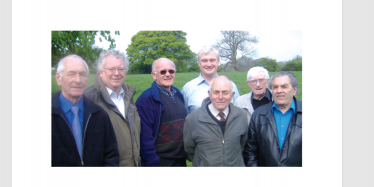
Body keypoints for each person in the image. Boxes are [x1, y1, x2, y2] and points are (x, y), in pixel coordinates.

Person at [52, 54, 119, 166]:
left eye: (82, 74)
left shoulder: (100, 115)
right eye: (71, 74)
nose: (78, 80)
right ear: (59, 78)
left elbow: (111, 156)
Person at [84, 49, 141, 166]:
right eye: (111, 69)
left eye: (121, 69)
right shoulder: (89, 99)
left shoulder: (129, 96)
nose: (117, 73)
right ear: (100, 72)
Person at [184, 76, 248, 167]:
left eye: (225, 93)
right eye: (216, 92)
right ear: (209, 94)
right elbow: (190, 150)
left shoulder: (242, 116)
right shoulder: (192, 119)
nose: (220, 97)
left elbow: (242, 145)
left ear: (232, 95)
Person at [135, 58, 188, 166]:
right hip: (161, 162)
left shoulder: (178, 94)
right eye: (163, 71)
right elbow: (145, 137)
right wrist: (153, 162)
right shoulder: (146, 99)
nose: (168, 74)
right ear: (154, 75)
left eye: (171, 71)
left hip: (180, 160)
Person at [243, 71, 302, 167]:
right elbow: (250, 152)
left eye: (284, 86)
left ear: (294, 90)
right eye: (275, 87)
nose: (279, 91)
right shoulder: (259, 115)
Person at [181, 46, 240, 114]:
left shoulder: (231, 86)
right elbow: (185, 117)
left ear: (218, 62)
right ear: (199, 63)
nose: (209, 64)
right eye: (204, 61)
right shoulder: (188, 88)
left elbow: (237, 114)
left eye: (212, 60)